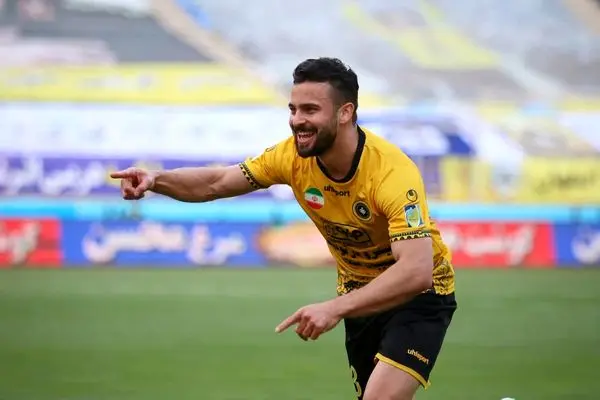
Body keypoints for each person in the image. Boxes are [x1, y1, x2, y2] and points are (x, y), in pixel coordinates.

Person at [111, 57, 457, 400]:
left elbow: (416, 271)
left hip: (420, 297)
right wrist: (156, 180)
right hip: (359, 299)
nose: (297, 120)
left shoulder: (392, 173)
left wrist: (334, 308)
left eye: (310, 110)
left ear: (345, 113)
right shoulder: (290, 157)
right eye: (293, 109)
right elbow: (216, 182)